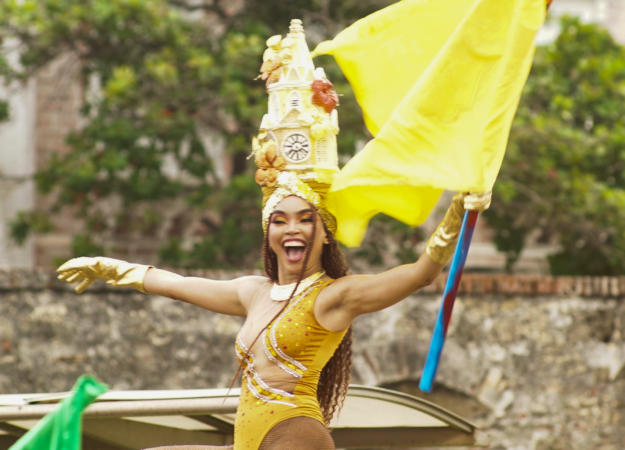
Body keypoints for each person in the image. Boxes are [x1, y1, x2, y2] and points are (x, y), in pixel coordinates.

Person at [56, 19, 490, 450]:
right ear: (268, 234)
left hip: (295, 435)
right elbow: (179, 285)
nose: (292, 228)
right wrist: (110, 268)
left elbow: (419, 274)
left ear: (324, 235)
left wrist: (456, 212)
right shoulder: (252, 293)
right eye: (279, 221)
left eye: (305, 219)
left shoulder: (333, 297)